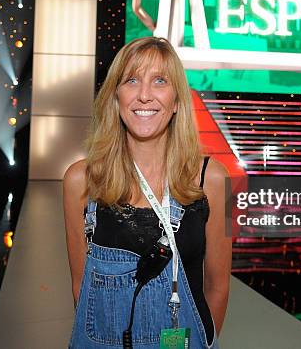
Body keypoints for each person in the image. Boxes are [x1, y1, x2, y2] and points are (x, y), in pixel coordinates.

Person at [63, 36, 231, 348]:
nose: (144, 95)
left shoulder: (214, 180)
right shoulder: (81, 181)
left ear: (178, 99)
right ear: (116, 97)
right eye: (131, 80)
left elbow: (219, 286)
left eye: (159, 81)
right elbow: (80, 287)